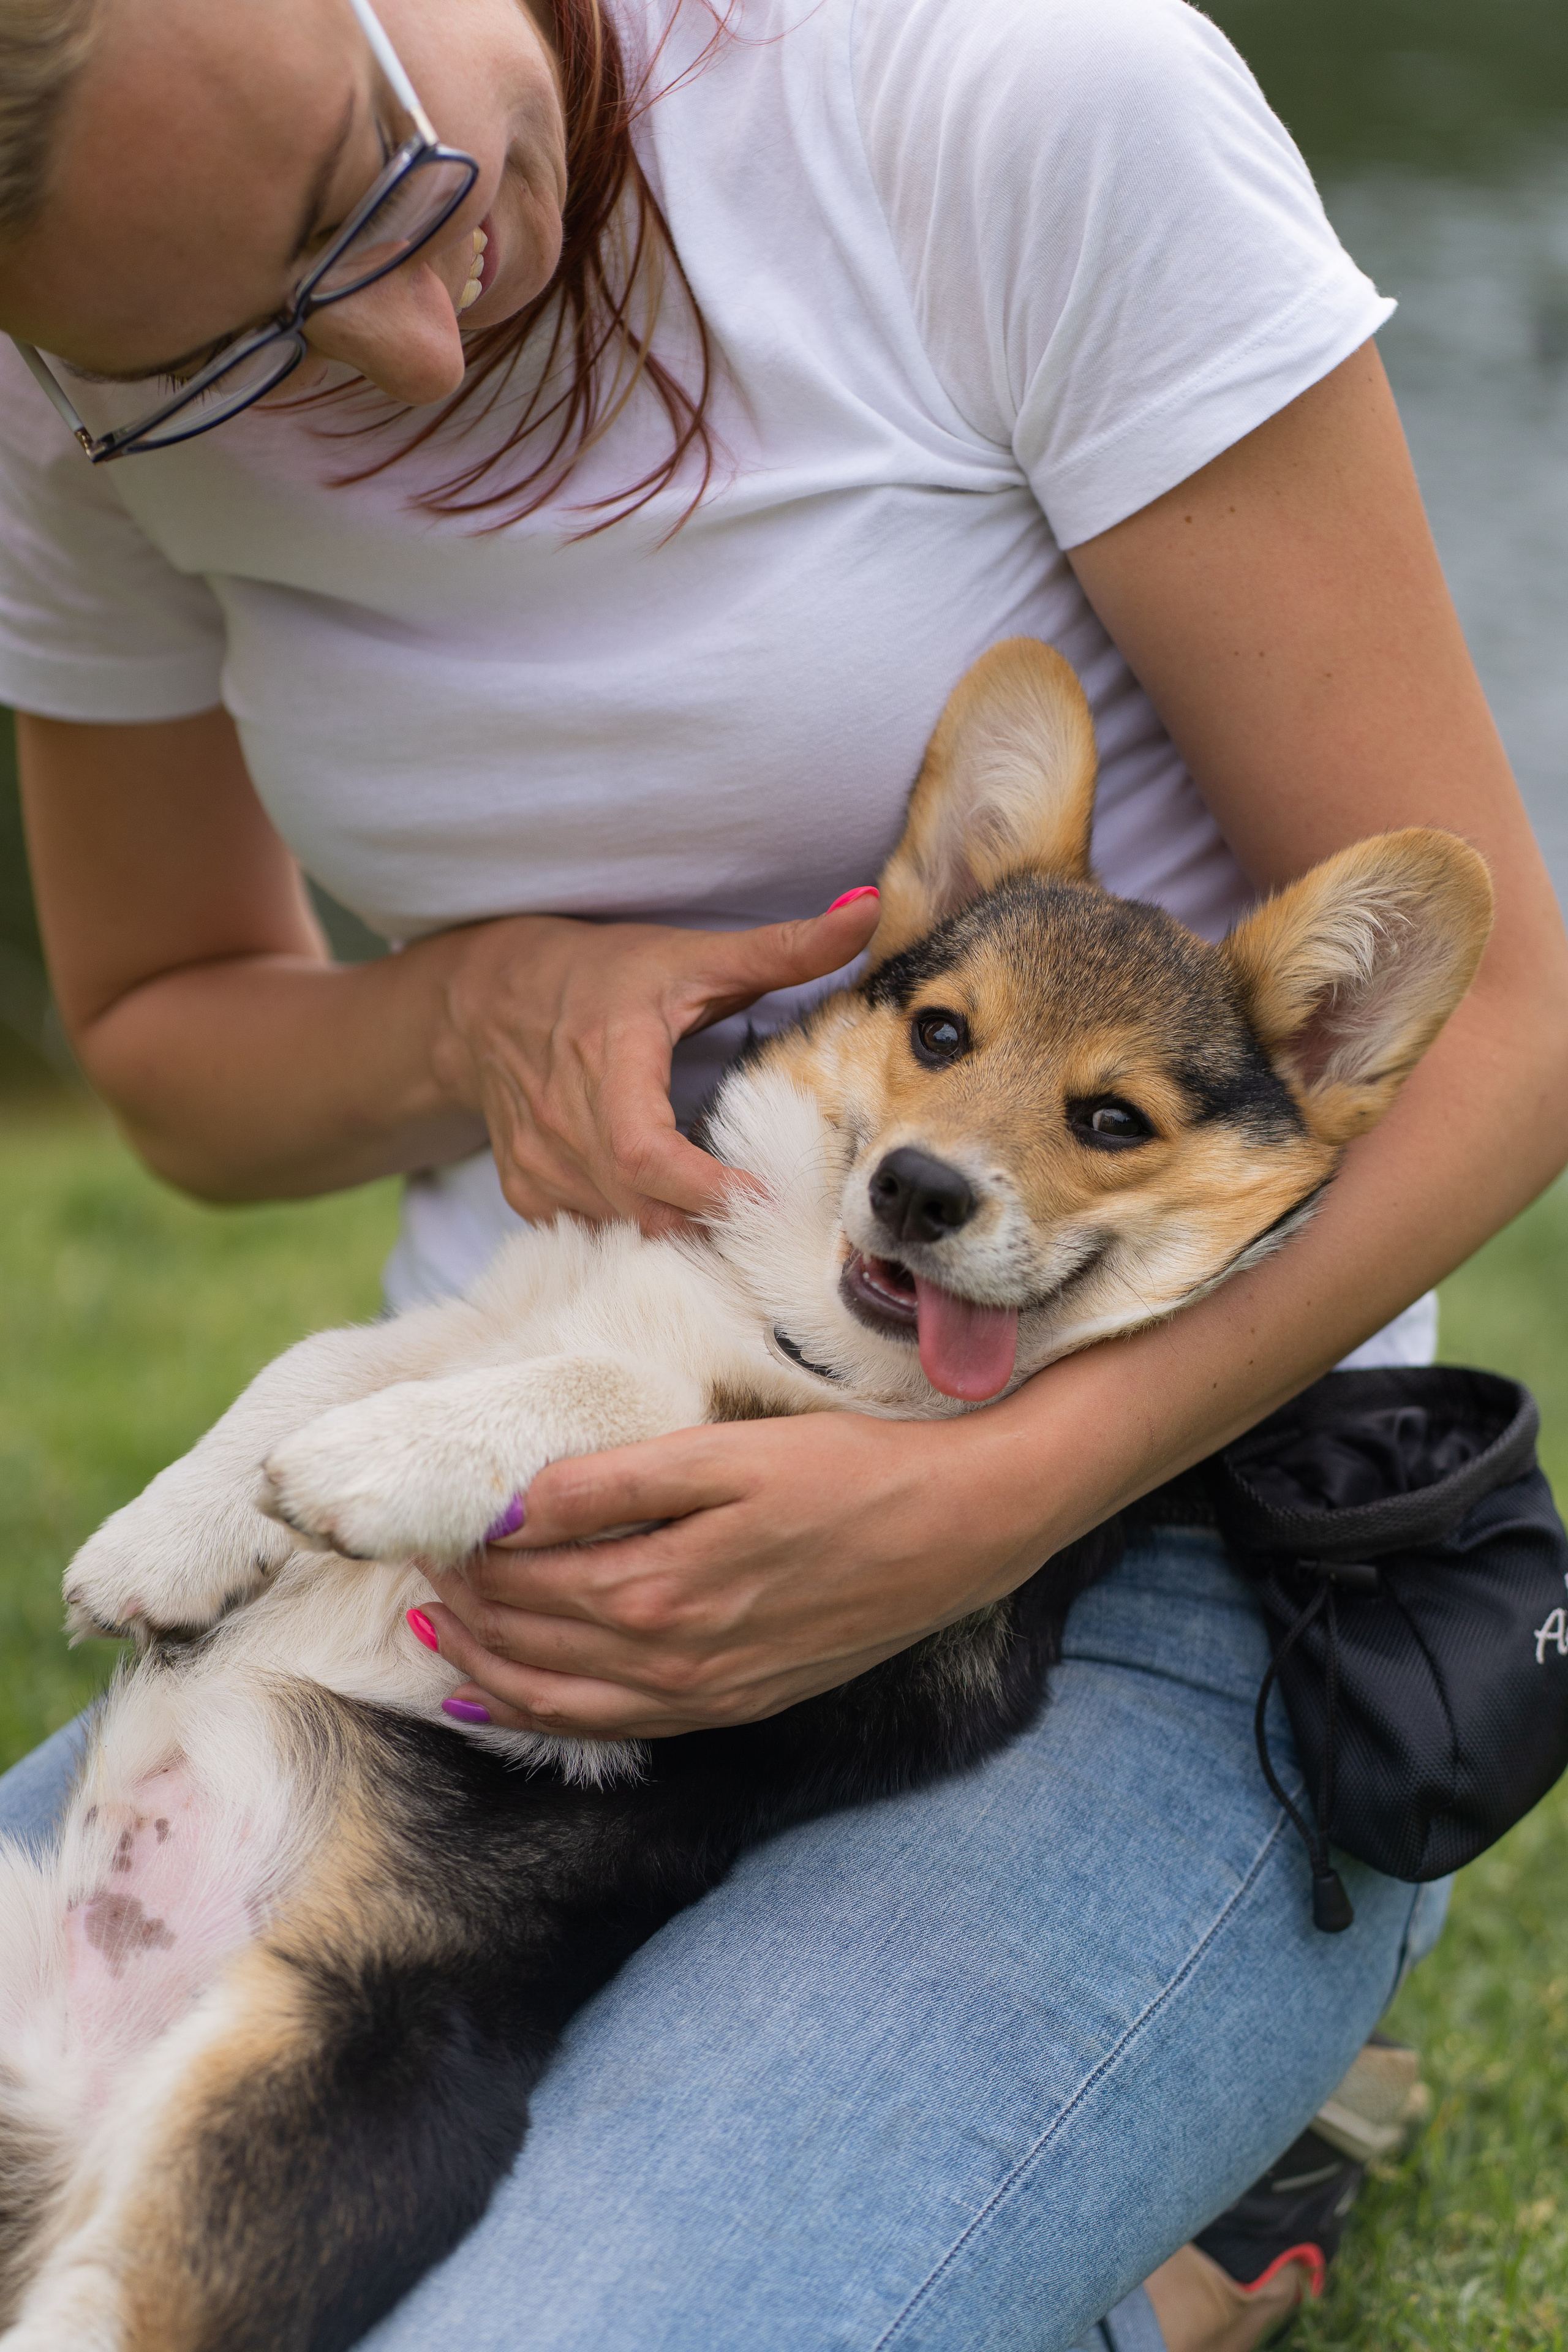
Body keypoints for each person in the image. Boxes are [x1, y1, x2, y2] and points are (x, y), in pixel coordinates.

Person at [0, 0, 1564, 2342]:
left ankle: (1135, 2214)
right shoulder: (63, 362)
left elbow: (1519, 1027)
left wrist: (982, 1501)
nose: (409, 352)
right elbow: (167, 1054)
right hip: (443, 1556)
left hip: (1122, 1572)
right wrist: (464, 1010)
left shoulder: (1013, 107)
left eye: (370, 184)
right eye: (238, 355)